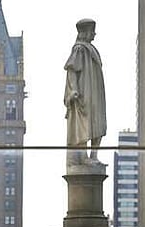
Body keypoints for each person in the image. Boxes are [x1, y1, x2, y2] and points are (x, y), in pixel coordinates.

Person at [64, 18, 106, 165]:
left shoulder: (91, 49)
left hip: (96, 93)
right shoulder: (79, 49)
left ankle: (94, 156)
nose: (94, 34)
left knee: (99, 123)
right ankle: (83, 157)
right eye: (92, 31)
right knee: (84, 125)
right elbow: (71, 70)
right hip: (85, 93)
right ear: (85, 32)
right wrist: (74, 89)